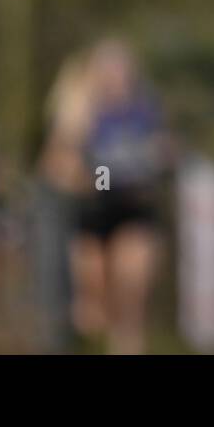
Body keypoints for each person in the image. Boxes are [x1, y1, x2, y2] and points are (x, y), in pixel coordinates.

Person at [68, 39, 168, 354]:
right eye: (108, 71)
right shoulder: (84, 111)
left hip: (135, 211)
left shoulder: (146, 111)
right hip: (93, 215)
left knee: (131, 298)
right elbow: (60, 165)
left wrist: (156, 159)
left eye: (121, 70)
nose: (116, 78)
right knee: (94, 314)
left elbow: (165, 153)